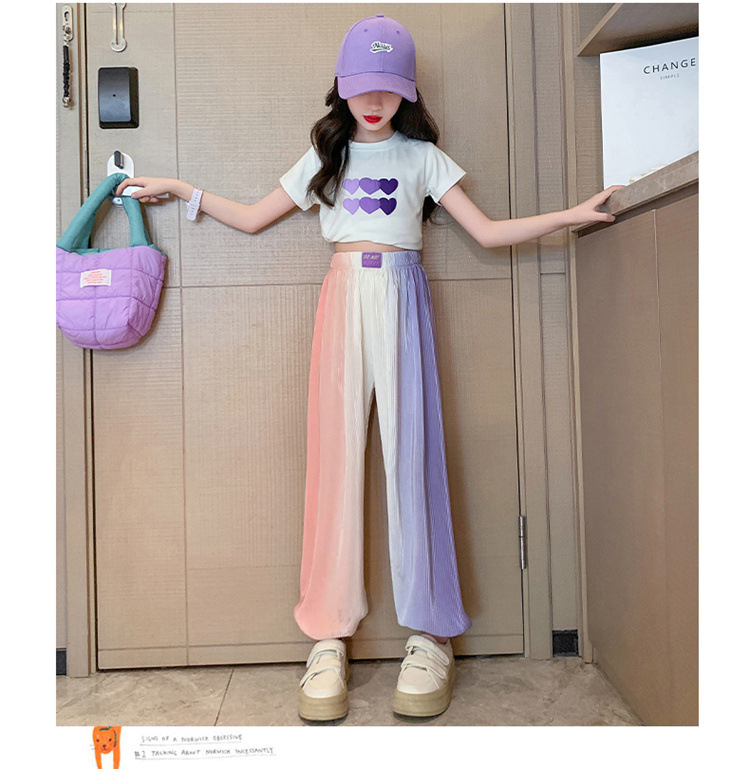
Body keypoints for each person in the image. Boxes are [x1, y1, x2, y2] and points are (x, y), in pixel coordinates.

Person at [115, 13, 623, 724]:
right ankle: (327, 633)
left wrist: (568, 216)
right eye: (362, 86)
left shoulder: (422, 157)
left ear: (407, 89)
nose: (375, 100)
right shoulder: (326, 156)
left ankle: (431, 633)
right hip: (343, 294)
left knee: (413, 457)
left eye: (388, 86)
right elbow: (257, 216)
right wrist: (182, 188)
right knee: (335, 459)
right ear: (342, 87)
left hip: (404, 295)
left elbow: (485, 231)